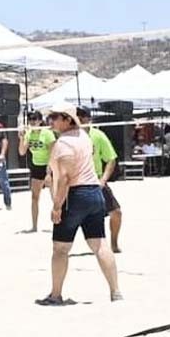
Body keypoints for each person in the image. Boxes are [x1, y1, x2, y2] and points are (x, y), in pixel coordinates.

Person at [36, 102, 121, 306]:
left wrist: (57, 206)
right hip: (94, 193)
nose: (51, 121)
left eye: (55, 117)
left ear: (67, 119)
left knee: (60, 248)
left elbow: (64, 178)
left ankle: (56, 294)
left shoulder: (64, 144)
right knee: (99, 244)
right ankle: (115, 292)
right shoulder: (84, 137)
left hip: (75, 194)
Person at [76, 107, 124, 253]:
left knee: (116, 212)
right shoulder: (70, 136)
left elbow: (111, 159)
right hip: (76, 181)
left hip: (95, 180)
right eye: (76, 116)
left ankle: (114, 243)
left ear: (88, 119)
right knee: (72, 219)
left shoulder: (98, 135)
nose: (78, 119)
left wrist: (103, 179)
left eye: (81, 117)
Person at [18, 111, 56, 232]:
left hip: (50, 166)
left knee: (54, 197)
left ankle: (59, 223)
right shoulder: (29, 133)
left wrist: (49, 173)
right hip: (36, 166)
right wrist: (22, 137)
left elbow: (53, 154)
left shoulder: (48, 134)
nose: (32, 122)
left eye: (35, 119)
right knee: (34, 197)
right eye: (30, 119)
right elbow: (22, 152)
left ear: (40, 121)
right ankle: (34, 226)